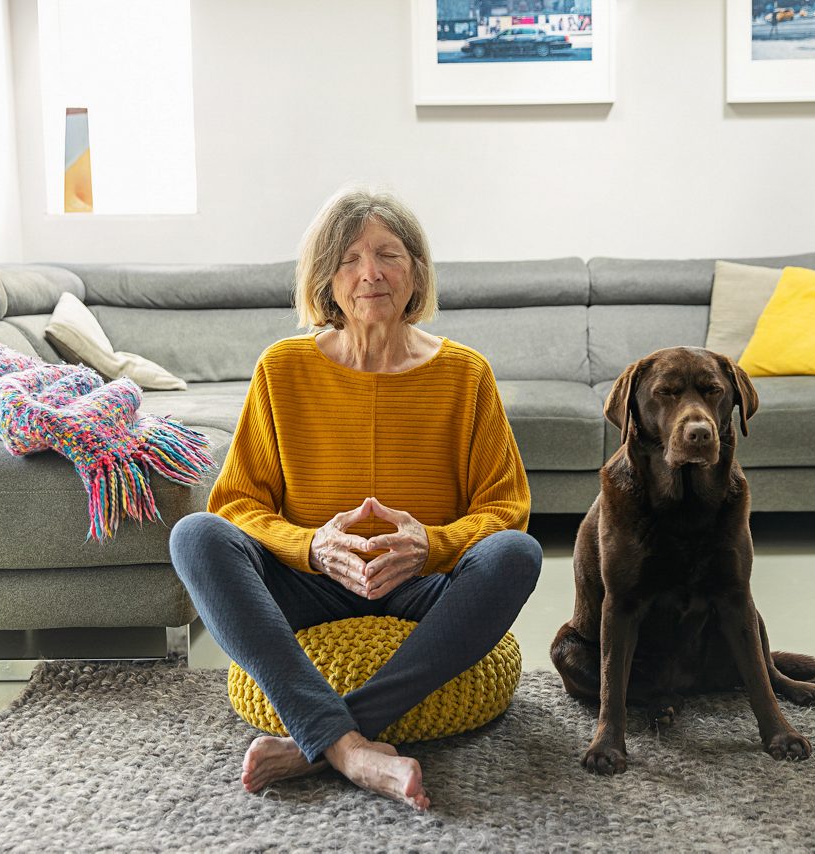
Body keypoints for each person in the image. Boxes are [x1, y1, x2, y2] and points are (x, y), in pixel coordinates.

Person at [169, 188, 542, 811]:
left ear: (415, 273)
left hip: (422, 585)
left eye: (388, 255)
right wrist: (312, 546)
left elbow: (506, 508)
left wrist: (432, 544)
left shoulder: (466, 373)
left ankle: (315, 739)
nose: (369, 273)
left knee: (517, 553)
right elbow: (236, 503)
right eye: (348, 259)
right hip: (308, 582)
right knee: (195, 536)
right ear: (326, 281)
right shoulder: (282, 368)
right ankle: (350, 748)